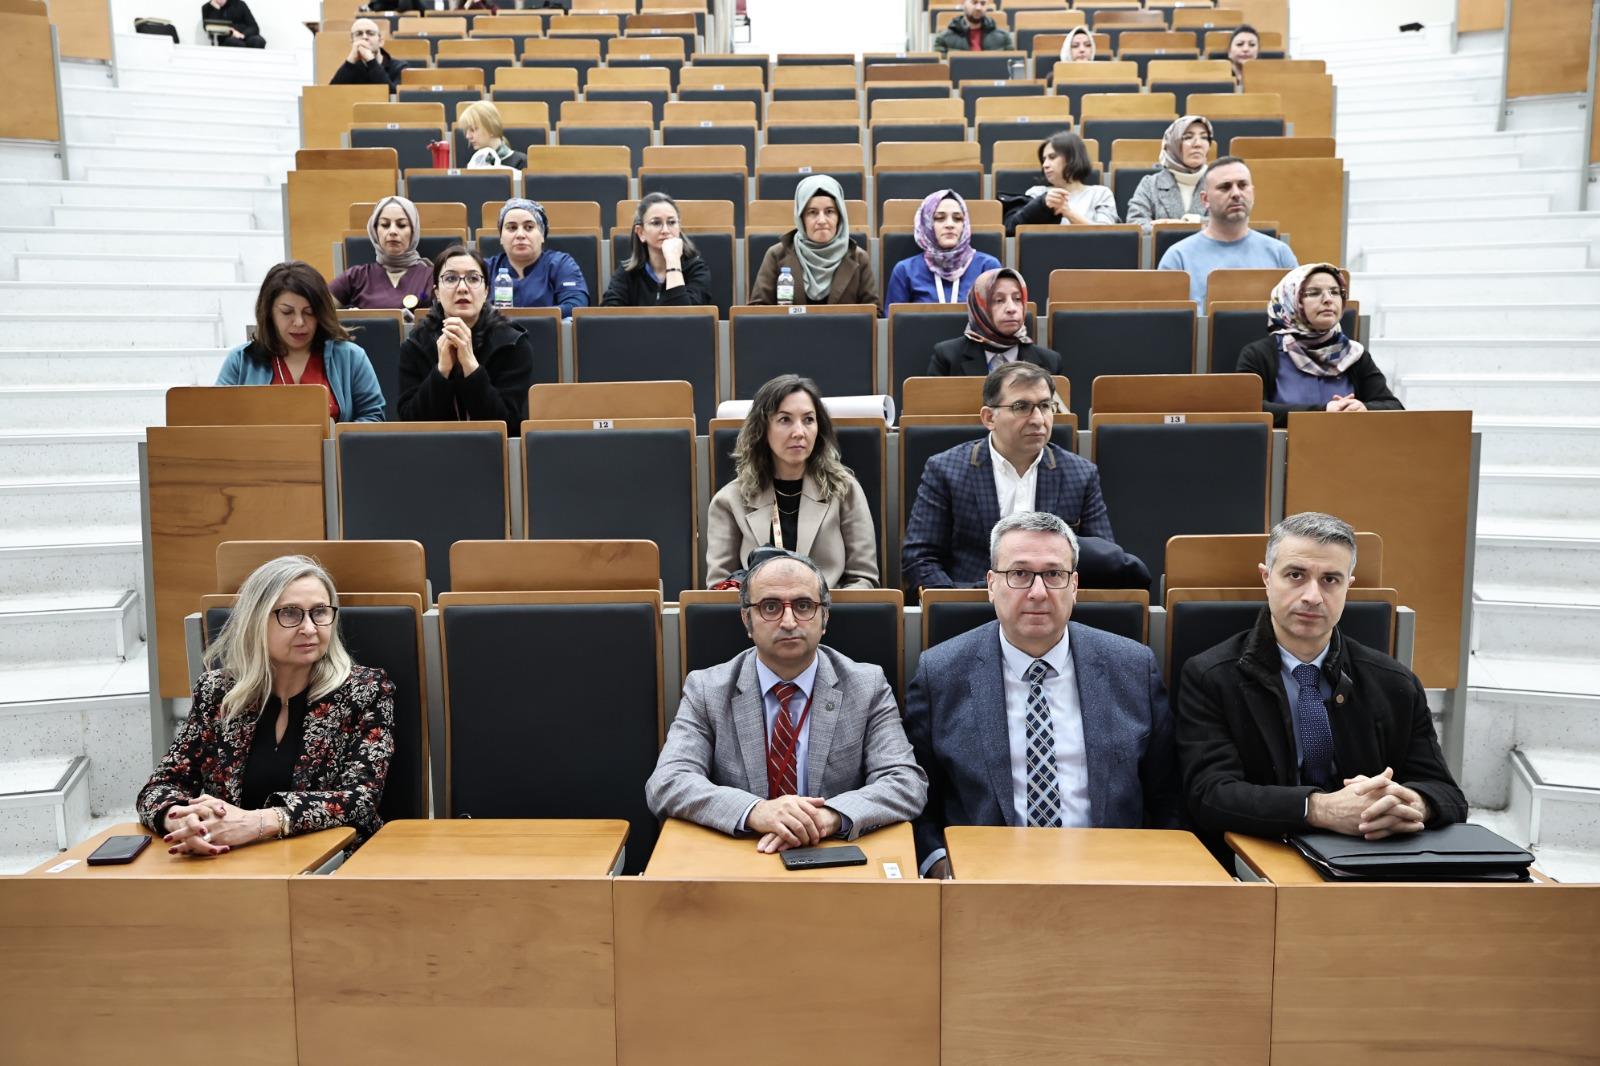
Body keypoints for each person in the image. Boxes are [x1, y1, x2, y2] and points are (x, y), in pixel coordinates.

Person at [905, 511, 1182, 876]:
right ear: (991, 584)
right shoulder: (941, 673)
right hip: (985, 878)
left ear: (1074, 585)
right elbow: (919, 800)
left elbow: (1167, 796)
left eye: (1054, 574)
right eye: (1019, 574)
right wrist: (940, 866)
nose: (1038, 592)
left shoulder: (1132, 667)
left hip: (1111, 875)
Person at [1176, 512, 1467, 845]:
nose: (1312, 596)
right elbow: (1209, 795)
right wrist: (1318, 809)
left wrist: (1410, 804)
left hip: (1371, 851)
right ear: (1267, 578)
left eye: (1330, 579)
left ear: (1348, 587)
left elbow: (1447, 794)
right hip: (1260, 851)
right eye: (1296, 575)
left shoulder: (1395, 682)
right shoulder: (1210, 676)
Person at [645, 551, 927, 852]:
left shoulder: (866, 685)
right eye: (771, 607)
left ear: (824, 617)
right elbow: (668, 782)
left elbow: (905, 782)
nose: (789, 622)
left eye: (804, 606)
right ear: (747, 620)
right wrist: (755, 811)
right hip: (743, 854)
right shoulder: (707, 689)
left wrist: (828, 817)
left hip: (831, 852)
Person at [137, 555, 395, 852]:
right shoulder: (216, 692)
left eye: (320, 612)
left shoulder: (365, 690)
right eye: (290, 614)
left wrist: (259, 822)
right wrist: (184, 821)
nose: (309, 628)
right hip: (229, 860)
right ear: (256, 619)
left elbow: (360, 800)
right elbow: (161, 786)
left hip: (330, 862)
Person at [902, 363, 1112, 591]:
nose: (1038, 419)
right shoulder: (945, 469)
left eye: (1045, 406)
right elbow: (920, 558)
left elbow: (1103, 561)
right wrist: (954, 603)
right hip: (971, 603)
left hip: (1050, 602)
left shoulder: (1080, 474)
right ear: (989, 418)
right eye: (1022, 407)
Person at [706, 375, 879, 590]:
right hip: (758, 611)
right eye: (785, 420)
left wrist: (821, 608)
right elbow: (719, 588)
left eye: (808, 420)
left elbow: (864, 580)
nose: (799, 432)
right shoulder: (729, 500)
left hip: (830, 609)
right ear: (762, 429)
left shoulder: (844, 490)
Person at [217, 262, 385, 422]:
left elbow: (373, 417)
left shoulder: (351, 357)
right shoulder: (240, 360)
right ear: (269, 313)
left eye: (309, 312)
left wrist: (338, 436)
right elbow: (218, 420)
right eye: (287, 312)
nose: (299, 322)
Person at [1238, 264, 1403, 428]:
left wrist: (1365, 408)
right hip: (1287, 444)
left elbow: (1394, 407)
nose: (1328, 299)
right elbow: (1248, 410)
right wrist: (1322, 412)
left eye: (1335, 292)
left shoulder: (1354, 354)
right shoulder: (1258, 354)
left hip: (1348, 442)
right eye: (1314, 293)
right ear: (1290, 300)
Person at [397, 244, 535, 433]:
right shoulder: (415, 345)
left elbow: (510, 428)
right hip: (432, 449)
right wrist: (441, 371)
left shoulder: (512, 343)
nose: (462, 288)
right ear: (437, 292)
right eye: (451, 278)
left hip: (493, 450)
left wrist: (471, 367)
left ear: (486, 291)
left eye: (473, 278)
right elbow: (410, 425)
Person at [1157, 156, 1297, 305]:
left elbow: (1299, 313)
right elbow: (1165, 317)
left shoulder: (1280, 254)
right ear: (1205, 200)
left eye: (1242, 185)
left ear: (1253, 193)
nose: (1236, 193)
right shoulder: (1178, 258)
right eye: (1225, 187)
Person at [750, 175, 878, 311]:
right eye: (812, 212)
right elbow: (757, 311)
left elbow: (873, 313)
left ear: (840, 217)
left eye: (829, 211)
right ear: (801, 218)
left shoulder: (859, 258)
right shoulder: (776, 255)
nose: (822, 220)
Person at [926, 267, 1061, 376]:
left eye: (1017, 299)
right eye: (999, 300)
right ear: (980, 307)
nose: (1011, 309)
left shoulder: (1049, 361)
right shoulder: (948, 357)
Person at [884, 189, 1002, 306]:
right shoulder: (905, 270)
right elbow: (894, 317)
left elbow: (999, 313)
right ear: (927, 224)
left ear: (965, 225)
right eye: (939, 218)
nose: (950, 225)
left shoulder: (987, 267)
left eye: (957, 219)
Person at [601, 192, 715, 307]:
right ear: (641, 233)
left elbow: (684, 316)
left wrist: (673, 262)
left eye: (671, 222)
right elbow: (610, 314)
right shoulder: (627, 274)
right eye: (656, 223)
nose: (665, 230)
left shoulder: (697, 270)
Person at [480, 199, 589, 318]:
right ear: (501, 237)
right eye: (512, 228)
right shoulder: (485, 268)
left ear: (542, 235)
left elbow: (576, 306)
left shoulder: (560, 264)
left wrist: (531, 319)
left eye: (529, 227)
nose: (520, 235)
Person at [329, 196, 434, 312]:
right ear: (375, 231)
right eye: (385, 225)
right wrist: (349, 316)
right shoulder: (355, 277)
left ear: (413, 231)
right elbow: (319, 309)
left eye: (402, 225)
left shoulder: (432, 277)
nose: (392, 231)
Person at [1002, 131, 1119, 234]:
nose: (1045, 165)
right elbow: (1014, 228)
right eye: (1044, 159)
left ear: (1072, 158)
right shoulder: (1037, 193)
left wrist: (1068, 212)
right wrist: (1041, 204)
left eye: (1052, 157)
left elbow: (1106, 235)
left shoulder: (1100, 193)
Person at [1125, 115, 1214, 225]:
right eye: (1188, 137)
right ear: (1173, 144)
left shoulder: (1220, 183)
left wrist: (1196, 222)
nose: (1198, 144)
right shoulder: (1150, 184)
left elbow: (1230, 222)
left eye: (1204, 137)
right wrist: (1167, 230)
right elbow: (1135, 222)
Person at [329, 18, 406, 87]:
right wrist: (350, 61)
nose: (364, 37)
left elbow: (393, 95)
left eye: (370, 33)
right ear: (352, 43)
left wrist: (371, 60)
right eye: (359, 34)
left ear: (380, 41)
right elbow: (332, 94)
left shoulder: (400, 67)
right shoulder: (350, 68)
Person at [459, 101, 528, 170]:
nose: (468, 136)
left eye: (472, 129)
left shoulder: (521, 162)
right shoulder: (472, 165)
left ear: (491, 128)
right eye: (466, 130)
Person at [934, 0, 1013, 54]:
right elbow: (941, 71)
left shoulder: (1004, 38)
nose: (978, 8)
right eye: (974, 2)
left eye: (982, 3)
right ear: (963, 3)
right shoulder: (944, 39)